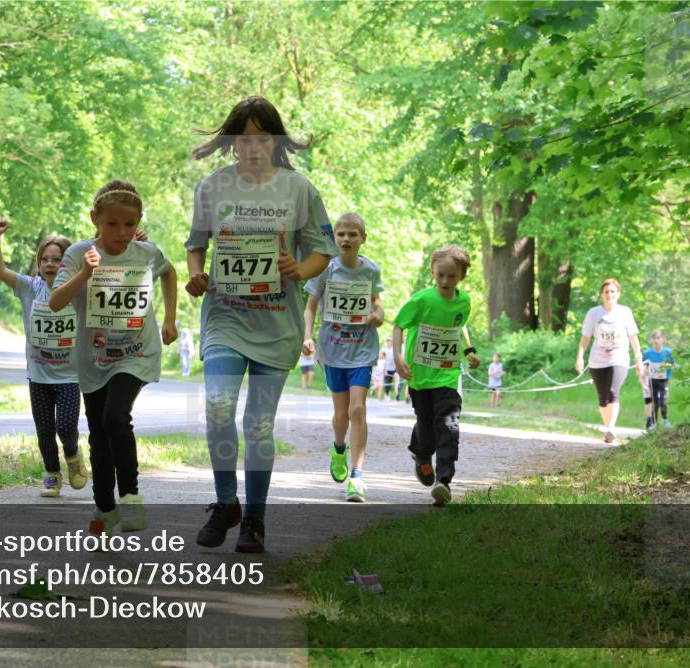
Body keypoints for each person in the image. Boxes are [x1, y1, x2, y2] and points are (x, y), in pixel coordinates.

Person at [185, 96, 337, 553]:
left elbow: (322, 250)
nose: (253, 147)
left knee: (258, 427)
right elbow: (196, 244)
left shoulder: (299, 189)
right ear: (232, 143)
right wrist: (196, 272)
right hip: (225, 318)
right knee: (217, 408)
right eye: (244, 139)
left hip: (277, 323)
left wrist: (300, 269)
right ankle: (226, 502)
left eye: (262, 138)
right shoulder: (212, 188)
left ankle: (254, 520)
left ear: (275, 141)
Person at [49, 179, 178, 537]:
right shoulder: (78, 254)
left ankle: (132, 498)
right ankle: (105, 507)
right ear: (95, 219)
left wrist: (169, 318)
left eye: (129, 224)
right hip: (94, 357)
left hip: (136, 352)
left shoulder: (147, 253)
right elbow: (56, 301)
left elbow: (170, 273)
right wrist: (86, 273)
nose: (122, 232)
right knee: (98, 433)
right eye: (112, 224)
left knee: (115, 416)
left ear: (139, 223)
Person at [0, 221, 87, 498]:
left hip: (69, 375)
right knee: (44, 431)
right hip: (39, 374)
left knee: (66, 427)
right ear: (38, 262)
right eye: (45, 259)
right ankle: (52, 475)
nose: (50, 264)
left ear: (67, 262)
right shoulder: (30, 287)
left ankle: (73, 454)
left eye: (57, 259)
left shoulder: (78, 289)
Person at [302, 213, 383, 502]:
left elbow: (377, 301)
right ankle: (339, 448)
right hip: (333, 350)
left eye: (352, 234)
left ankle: (358, 477)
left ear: (363, 238)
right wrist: (306, 336)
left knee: (357, 410)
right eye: (341, 234)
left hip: (362, 349)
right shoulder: (327, 269)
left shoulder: (370, 270)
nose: (346, 239)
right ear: (334, 237)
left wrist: (378, 314)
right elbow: (310, 307)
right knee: (340, 416)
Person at [393, 246, 480, 507]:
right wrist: (398, 357)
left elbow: (458, 324)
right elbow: (399, 325)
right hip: (419, 376)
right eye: (440, 275)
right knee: (427, 426)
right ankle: (420, 455)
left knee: (449, 424)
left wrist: (469, 351)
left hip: (447, 375)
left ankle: (444, 481)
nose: (445, 281)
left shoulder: (464, 301)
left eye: (451, 276)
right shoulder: (422, 300)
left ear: (462, 277)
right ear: (433, 271)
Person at [575, 278, 645, 444]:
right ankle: (608, 429)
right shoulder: (594, 313)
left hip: (619, 358)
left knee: (613, 392)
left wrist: (638, 357)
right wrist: (580, 356)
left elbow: (633, 336)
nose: (609, 295)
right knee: (602, 396)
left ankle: (610, 429)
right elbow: (585, 337)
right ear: (602, 295)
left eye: (613, 291)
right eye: (606, 292)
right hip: (597, 360)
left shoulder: (625, 312)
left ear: (618, 294)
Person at [640, 329, 675, 429]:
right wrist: (646, 371)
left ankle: (665, 420)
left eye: (658, 338)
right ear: (651, 340)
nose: (656, 340)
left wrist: (667, 366)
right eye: (654, 338)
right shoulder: (648, 353)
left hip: (664, 380)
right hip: (653, 381)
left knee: (663, 401)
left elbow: (673, 365)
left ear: (663, 339)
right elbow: (644, 367)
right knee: (654, 402)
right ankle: (654, 423)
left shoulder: (668, 352)